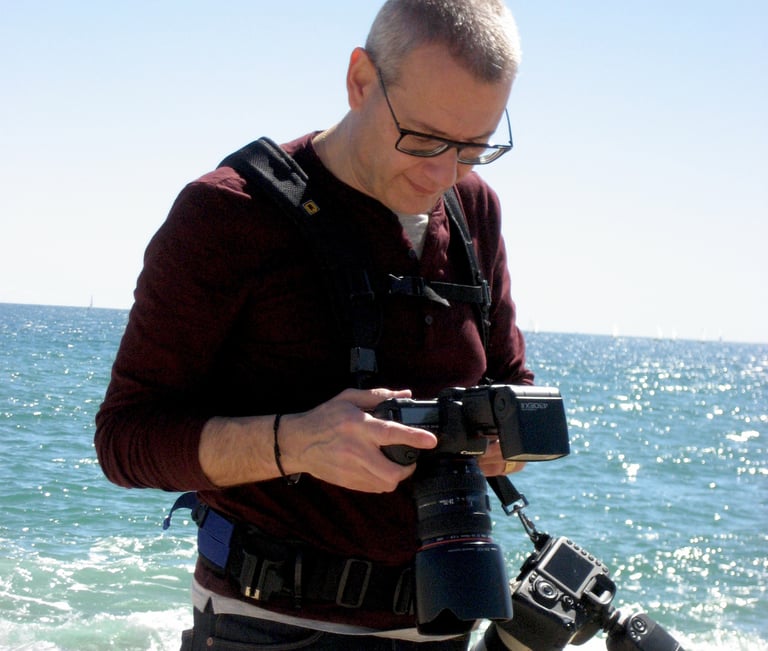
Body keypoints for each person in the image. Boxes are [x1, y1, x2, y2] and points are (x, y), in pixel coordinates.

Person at [95, 1, 534, 649]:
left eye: (474, 146)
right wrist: (298, 441)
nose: (443, 173)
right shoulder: (227, 214)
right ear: (360, 81)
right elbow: (125, 440)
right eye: (424, 138)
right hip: (266, 625)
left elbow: (511, 384)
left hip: (443, 624)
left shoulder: (474, 210)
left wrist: (505, 440)